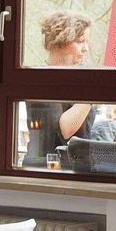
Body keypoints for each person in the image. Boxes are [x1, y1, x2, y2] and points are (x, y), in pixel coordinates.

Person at [21, 11, 97, 168]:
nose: (86, 49)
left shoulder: (77, 78)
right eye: (80, 41)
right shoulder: (40, 80)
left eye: (87, 42)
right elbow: (65, 129)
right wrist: (95, 91)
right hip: (46, 169)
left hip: (75, 166)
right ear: (60, 42)